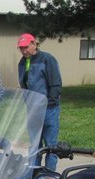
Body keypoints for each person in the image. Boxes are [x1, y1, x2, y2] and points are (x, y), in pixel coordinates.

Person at [16, 33, 62, 170]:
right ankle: (33, 172)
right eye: (21, 48)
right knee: (35, 144)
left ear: (34, 44)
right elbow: (24, 85)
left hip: (48, 108)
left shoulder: (47, 59)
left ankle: (49, 175)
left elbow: (56, 83)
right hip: (32, 109)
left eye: (26, 47)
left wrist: (50, 103)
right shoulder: (22, 63)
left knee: (50, 145)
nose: (24, 51)